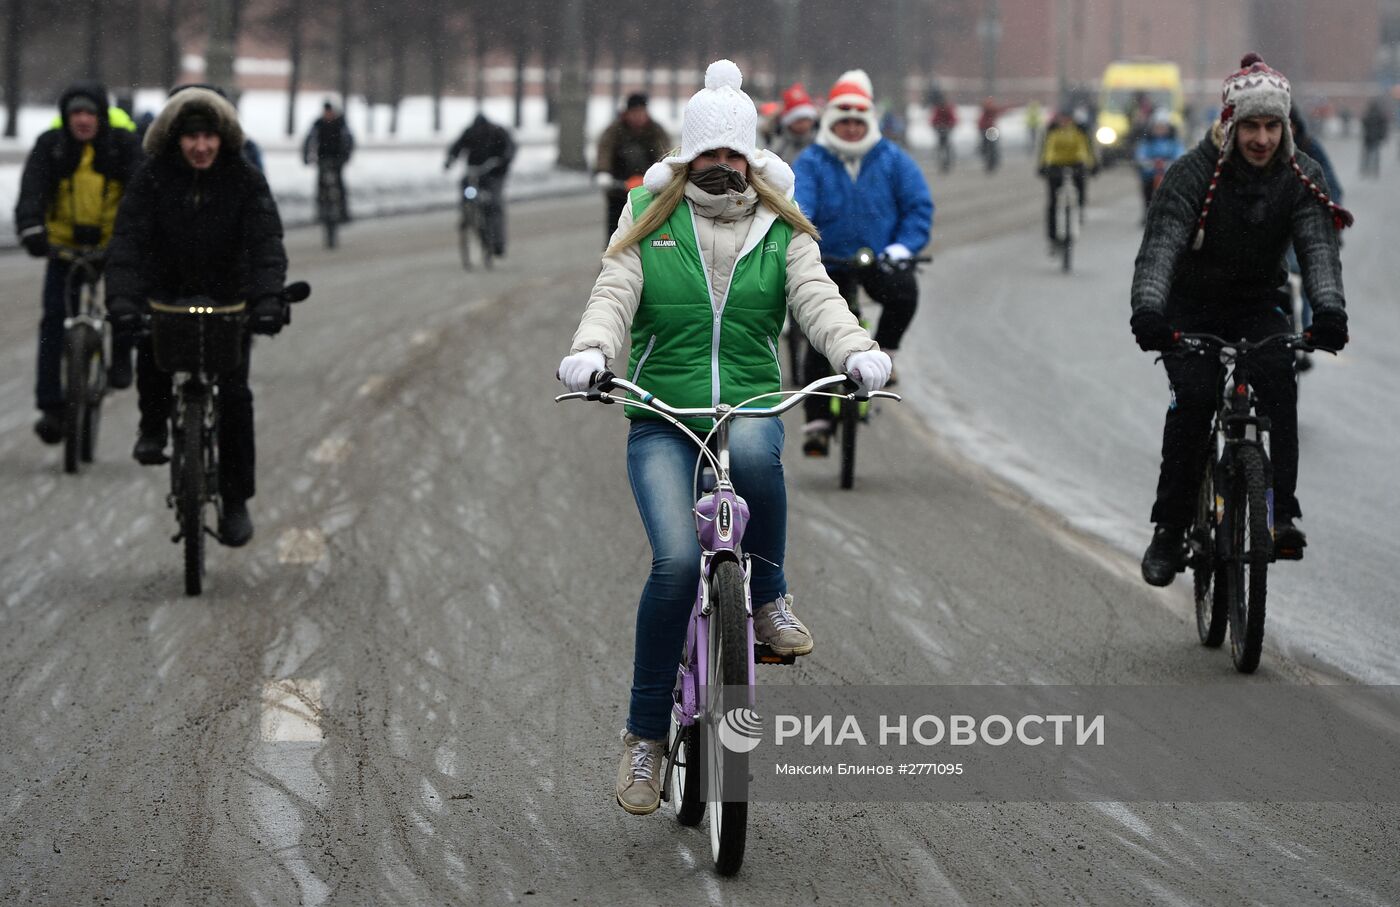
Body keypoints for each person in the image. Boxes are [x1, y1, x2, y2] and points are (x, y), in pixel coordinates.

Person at [557, 60, 890, 815]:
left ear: (751, 156)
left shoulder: (781, 224)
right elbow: (614, 292)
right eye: (708, 152)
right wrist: (593, 352)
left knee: (753, 453)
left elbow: (818, 299)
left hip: (747, 405)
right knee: (676, 559)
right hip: (662, 417)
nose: (722, 165)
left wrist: (854, 350)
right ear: (689, 154)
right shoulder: (649, 212)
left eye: (734, 153)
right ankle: (644, 738)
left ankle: (766, 598)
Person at [1130, 54, 1352, 586]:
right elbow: (1160, 247)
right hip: (1192, 306)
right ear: (1229, 124)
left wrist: (1329, 311)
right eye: (1250, 125)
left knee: (1280, 382)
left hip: (1258, 302)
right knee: (1196, 401)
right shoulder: (1192, 173)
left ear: (1284, 127)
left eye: (1272, 126)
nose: (1261, 138)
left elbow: (1318, 249)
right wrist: (1149, 310)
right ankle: (1169, 529)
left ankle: (1281, 513)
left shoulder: (1302, 177)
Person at [104, 86, 290, 547]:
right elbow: (127, 242)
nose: (201, 146)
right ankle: (152, 425)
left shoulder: (245, 180)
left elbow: (265, 244)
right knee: (150, 345)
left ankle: (236, 499)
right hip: (166, 293)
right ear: (175, 140)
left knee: (234, 397)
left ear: (223, 138)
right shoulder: (150, 180)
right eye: (192, 138)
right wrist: (124, 301)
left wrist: (267, 300)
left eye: (209, 136)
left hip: (229, 300)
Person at [792, 68, 933, 454]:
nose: (852, 128)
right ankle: (818, 422)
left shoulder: (891, 158)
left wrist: (903, 247)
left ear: (868, 122)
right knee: (821, 337)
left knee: (905, 292)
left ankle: (884, 354)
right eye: (844, 121)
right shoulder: (813, 161)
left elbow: (918, 206)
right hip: (827, 262)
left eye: (858, 121)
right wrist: (806, 244)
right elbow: (798, 206)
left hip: (879, 261)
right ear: (832, 122)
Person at [14, 80, 143, 445]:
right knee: (53, 320)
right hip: (63, 248)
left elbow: (139, 194)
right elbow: (32, 191)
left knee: (123, 305)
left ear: (100, 116)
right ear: (65, 117)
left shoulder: (122, 146)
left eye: (89, 113)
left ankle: (120, 357)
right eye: (76, 114)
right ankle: (51, 406)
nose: (82, 121)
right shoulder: (50, 147)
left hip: (111, 247)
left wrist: (131, 238)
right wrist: (31, 229)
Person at [593, 93, 671, 245]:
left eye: (641, 112)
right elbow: (605, 150)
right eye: (634, 113)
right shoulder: (614, 130)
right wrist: (603, 172)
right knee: (615, 231)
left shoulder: (655, 131)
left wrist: (664, 173)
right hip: (619, 190)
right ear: (627, 113)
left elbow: (664, 153)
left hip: (647, 191)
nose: (638, 117)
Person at [444, 112, 516, 256]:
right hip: (474, 172)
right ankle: (466, 212)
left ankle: (497, 243)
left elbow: (509, 149)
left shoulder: (498, 132)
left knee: (494, 205)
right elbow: (457, 146)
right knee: (465, 187)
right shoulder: (470, 132)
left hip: (493, 174)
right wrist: (451, 159)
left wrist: (502, 162)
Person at [1038, 110, 1096, 250]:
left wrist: (1088, 164)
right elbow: (1048, 150)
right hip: (1056, 166)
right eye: (1061, 119)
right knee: (1052, 202)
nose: (1064, 122)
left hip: (1075, 164)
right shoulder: (1053, 132)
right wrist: (1045, 165)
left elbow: (1083, 149)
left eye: (1066, 119)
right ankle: (1053, 237)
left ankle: (1079, 209)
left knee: (1080, 186)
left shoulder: (1078, 131)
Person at [303, 100, 354, 222]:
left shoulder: (340, 123)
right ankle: (320, 213)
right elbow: (309, 139)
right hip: (323, 158)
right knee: (321, 186)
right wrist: (306, 155)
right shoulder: (318, 123)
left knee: (339, 185)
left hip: (338, 158)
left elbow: (348, 140)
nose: (328, 114)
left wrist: (346, 156)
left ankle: (343, 212)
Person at [1134, 108, 1185, 219]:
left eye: (1163, 127)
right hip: (1150, 173)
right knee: (1147, 191)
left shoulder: (1173, 141)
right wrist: (1145, 162)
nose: (1160, 130)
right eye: (1157, 127)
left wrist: (1173, 163)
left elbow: (1180, 153)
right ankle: (1147, 211)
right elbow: (1141, 152)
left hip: (1168, 173)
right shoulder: (1147, 141)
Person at [769, 82, 819, 163]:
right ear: (789, 122)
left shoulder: (819, 142)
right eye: (798, 120)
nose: (804, 124)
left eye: (807, 119)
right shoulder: (779, 144)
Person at [1359, 99, 1388, 178]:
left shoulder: (1368, 114)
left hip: (1368, 137)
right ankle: (1375, 170)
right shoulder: (1380, 115)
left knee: (1367, 155)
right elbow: (1383, 126)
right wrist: (1382, 136)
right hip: (1376, 137)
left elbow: (1363, 123)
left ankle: (1365, 170)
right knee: (1375, 155)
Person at [930, 92, 958, 171]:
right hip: (941, 129)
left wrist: (949, 126)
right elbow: (934, 119)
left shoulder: (947, 109)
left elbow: (953, 119)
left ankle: (946, 162)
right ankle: (943, 162)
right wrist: (937, 126)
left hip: (945, 129)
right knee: (943, 146)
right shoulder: (939, 109)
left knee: (945, 146)